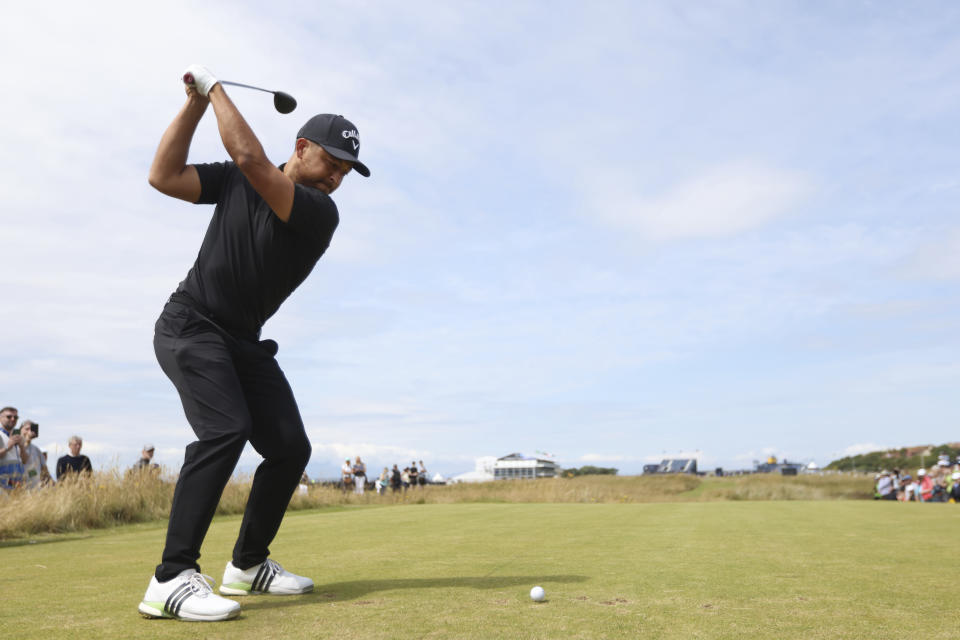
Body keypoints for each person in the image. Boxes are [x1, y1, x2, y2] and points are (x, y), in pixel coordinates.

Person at [139, 64, 370, 622]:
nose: (336, 178)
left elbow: (252, 160)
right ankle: (170, 579)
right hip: (190, 325)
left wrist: (214, 87)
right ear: (302, 147)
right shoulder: (242, 180)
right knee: (227, 430)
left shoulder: (319, 211)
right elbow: (163, 176)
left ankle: (247, 565)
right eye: (331, 164)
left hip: (242, 341)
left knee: (290, 447)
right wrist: (195, 103)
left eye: (345, 172)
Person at [0, 406, 28, 490]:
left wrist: (22, 447)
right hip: (3, 486)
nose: (13, 419)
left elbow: (25, 461)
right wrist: (7, 447)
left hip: (18, 485)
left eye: (16, 417)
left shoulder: (18, 436)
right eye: (9, 417)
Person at [19, 421, 49, 490]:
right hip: (19, 488)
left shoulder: (36, 449)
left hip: (35, 489)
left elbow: (43, 469)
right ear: (20, 430)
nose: (29, 432)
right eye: (27, 429)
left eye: (31, 429)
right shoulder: (14, 446)